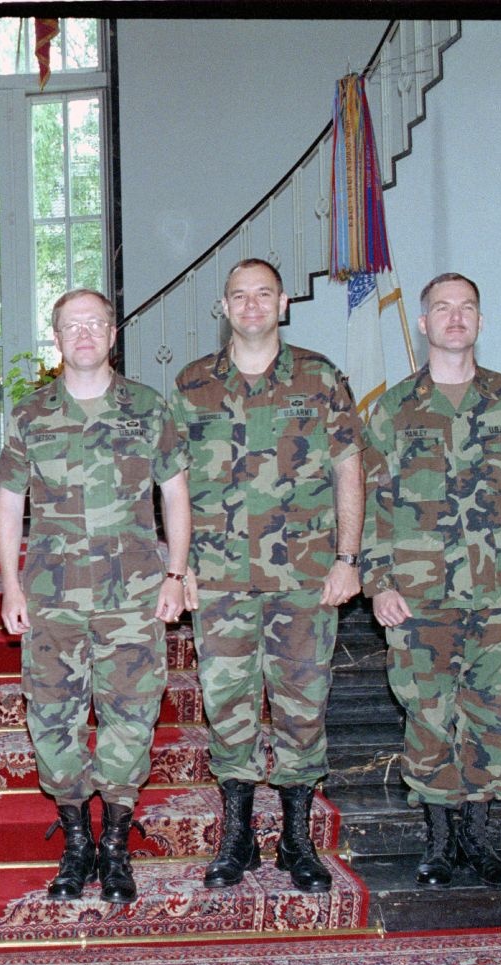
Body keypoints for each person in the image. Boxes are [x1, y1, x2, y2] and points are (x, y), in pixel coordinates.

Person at [361, 272, 501, 889]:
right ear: (422, 324)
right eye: (442, 309)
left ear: (480, 320)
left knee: (491, 714)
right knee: (427, 714)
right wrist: (378, 581)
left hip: (500, 590)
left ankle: (479, 840)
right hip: (419, 595)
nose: (455, 318)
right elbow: (374, 502)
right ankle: (438, 842)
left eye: (466, 308)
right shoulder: (394, 408)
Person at [169, 258, 365, 893]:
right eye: (238, 296)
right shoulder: (192, 384)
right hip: (221, 578)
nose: (251, 306)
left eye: (263, 295)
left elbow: (348, 470)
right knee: (228, 708)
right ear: (222, 307)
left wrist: (348, 558)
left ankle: (298, 842)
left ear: (283, 304)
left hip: (305, 578)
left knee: (302, 707)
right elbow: (172, 485)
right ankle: (238, 837)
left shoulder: (319, 377)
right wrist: (182, 568)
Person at [0, 288, 194, 903]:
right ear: (57, 338)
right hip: (52, 595)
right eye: (70, 326)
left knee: (131, 718)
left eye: (94, 324)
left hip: (132, 595)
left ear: (112, 334)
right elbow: (9, 503)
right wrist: (8, 585)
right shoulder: (30, 415)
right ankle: (78, 842)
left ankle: (116, 845)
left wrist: (176, 573)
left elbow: (175, 493)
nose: (82, 335)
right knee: (52, 719)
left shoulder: (148, 408)